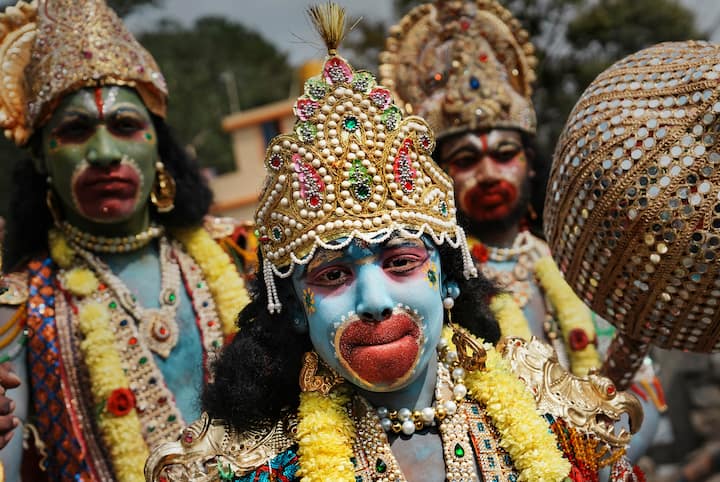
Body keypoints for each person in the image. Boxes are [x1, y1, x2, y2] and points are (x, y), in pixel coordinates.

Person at [145, 5, 643, 481]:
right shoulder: (247, 467)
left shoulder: (563, 420)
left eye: (401, 263)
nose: (376, 302)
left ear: (447, 280)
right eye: (333, 274)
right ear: (297, 306)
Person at [378, 0, 664, 461]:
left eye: (505, 153)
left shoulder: (578, 266)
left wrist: (593, 465)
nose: (489, 173)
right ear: (439, 177)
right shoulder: (428, 280)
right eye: (466, 161)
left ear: (532, 165)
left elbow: (646, 396)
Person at [0, 1, 250, 480]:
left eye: (125, 126)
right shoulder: (18, 303)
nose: (104, 153)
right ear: (40, 159)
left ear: (157, 142)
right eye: (75, 131)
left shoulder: (239, 254)